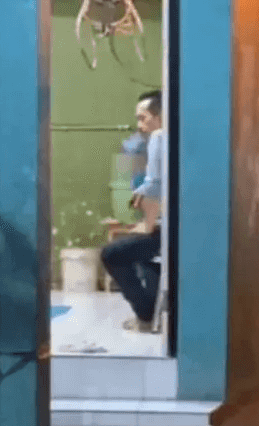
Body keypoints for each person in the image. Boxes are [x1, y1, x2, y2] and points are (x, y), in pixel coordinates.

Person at [102, 90, 166, 333]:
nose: (139, 125)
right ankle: (149, 313)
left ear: (159, 117)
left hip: (163, 229)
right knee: (146, 255)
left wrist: (147, 226)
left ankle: (145, 315)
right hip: (169, 227)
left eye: (143, 118)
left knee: (112, 254)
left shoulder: (158, 139)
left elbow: (153, 186)